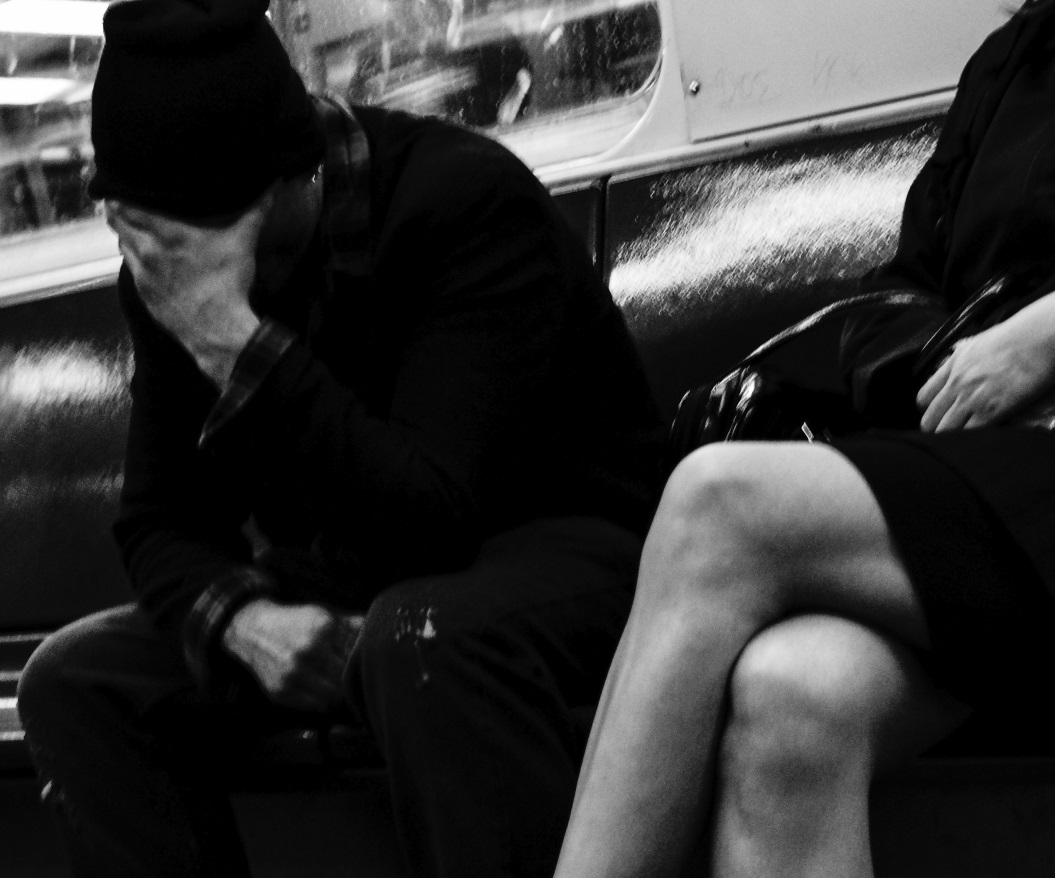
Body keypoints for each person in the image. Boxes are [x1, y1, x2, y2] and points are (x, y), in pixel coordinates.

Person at [548, 1, 1055, 876]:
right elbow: (897, 292)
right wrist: (985, 357)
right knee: (793, 693)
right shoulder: (1024, 55)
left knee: (717, 505)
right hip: (1003, 466)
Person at [14, 1, 663, 877]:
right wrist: (243, 622)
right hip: (370, 568)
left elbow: (435, 516)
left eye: (194, 243)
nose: (168, 271)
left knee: (421, 634)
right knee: (75, 680)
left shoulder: (463, 202)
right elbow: (158, 521)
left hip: (573, 544)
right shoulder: (177, 278)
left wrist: (232, 339)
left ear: (289, 181)